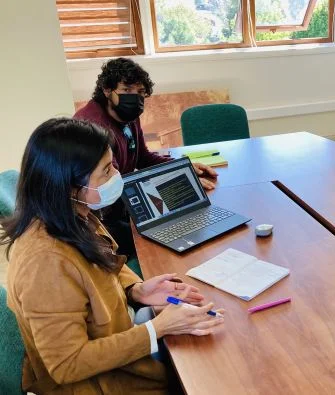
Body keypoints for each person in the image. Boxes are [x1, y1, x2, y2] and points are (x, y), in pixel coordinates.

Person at [2, 118, 225, 393]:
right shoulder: (45, 262)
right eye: (106, 171)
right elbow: (67, 364)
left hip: (121, 349)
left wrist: (137, 290)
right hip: (98, 384)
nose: (116, 177)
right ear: (70, 187)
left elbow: (107, 262)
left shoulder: (75, 214)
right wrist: (156, 329)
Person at [74, 57, 218, 256]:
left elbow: (144, 158)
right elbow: (110, 185)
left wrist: (183, 168)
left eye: (140, 92)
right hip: (102, 218)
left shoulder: (127, 116)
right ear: (107, 90)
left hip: (122, 205)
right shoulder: (94, 128)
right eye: (126, 90)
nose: (135, 98)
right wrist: (182, 182)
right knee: (173, 245)